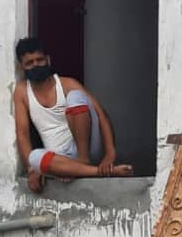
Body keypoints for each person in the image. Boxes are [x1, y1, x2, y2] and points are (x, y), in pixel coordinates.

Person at [13, 37, 133, 193]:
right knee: (34, 157)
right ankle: (95, 172)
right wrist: (31, 170)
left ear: (48, 60)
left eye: (39, 60)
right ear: (21, 67)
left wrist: (110, 153)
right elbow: (22, 134)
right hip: (60, 160)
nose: (35, 65)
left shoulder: (67, 83)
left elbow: (101, 115)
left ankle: (83, 163)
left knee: (75, 97)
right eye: (29, 63)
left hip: (87, 150)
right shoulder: (22, 91)